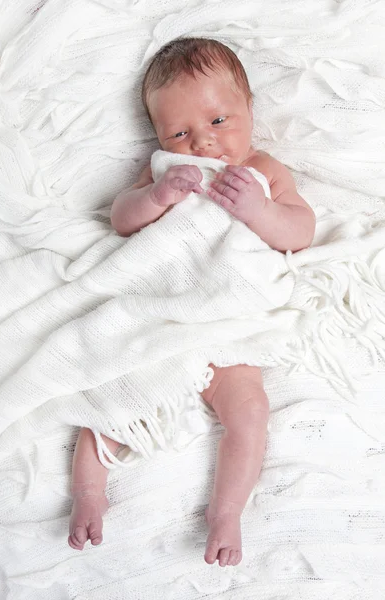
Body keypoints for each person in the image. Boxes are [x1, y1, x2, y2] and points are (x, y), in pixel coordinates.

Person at [68, 37, 316, 568]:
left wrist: (259, 211)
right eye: (180, 133)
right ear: (159, 138)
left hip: (228, 321)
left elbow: (300, 231)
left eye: (220, 121)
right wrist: (155, 197)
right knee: (111, 388)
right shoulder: (163, 170)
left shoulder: (264, 169)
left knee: (250, 411)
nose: (202, 144)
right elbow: (121, 219)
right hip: (164, 311)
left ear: (250, 109)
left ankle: (226, 512)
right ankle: (89, 493)